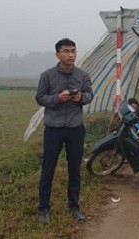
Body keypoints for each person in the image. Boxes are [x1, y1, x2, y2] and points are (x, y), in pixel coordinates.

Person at [35, 38, 93, 224]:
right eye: (66, 51)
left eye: (73, 51)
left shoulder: (83, 75)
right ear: (57, 54)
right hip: (53, 129)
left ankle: (74, 206)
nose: (71, 55)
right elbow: (40, 98)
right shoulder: (47, 76)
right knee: (48, 168)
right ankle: (44, 208)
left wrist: (81, 97)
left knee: (74, 169)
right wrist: (57, 98)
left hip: (76, 129)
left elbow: (90, 94)